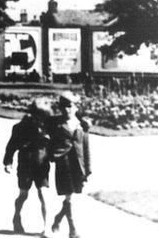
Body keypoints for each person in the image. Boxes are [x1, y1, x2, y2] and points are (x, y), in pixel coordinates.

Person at [3, 98, 53, 235]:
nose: (41, 119)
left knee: (43, 195)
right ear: (33, 114)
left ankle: (46, 227)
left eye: (44, 116)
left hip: (42, 166)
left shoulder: (48, 128)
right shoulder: (20, 127)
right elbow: (11, 146)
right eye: (39, 115)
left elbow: (54, 145)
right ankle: (16, 217)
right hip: (25, 165)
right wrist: (8, 162)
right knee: (23, 195)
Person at [49, 91, 91, 238]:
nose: (67, 109)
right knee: (69, 196)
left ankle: (57, 220)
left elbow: (85, 148)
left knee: (70, 197)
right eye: (64, 106)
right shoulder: (55, 123)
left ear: (76, 107)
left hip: (77, 166)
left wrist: (88, 170)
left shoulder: (82, 125)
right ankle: (73, 230)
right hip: (64, 165)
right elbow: (46, 140)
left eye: (70, 106)